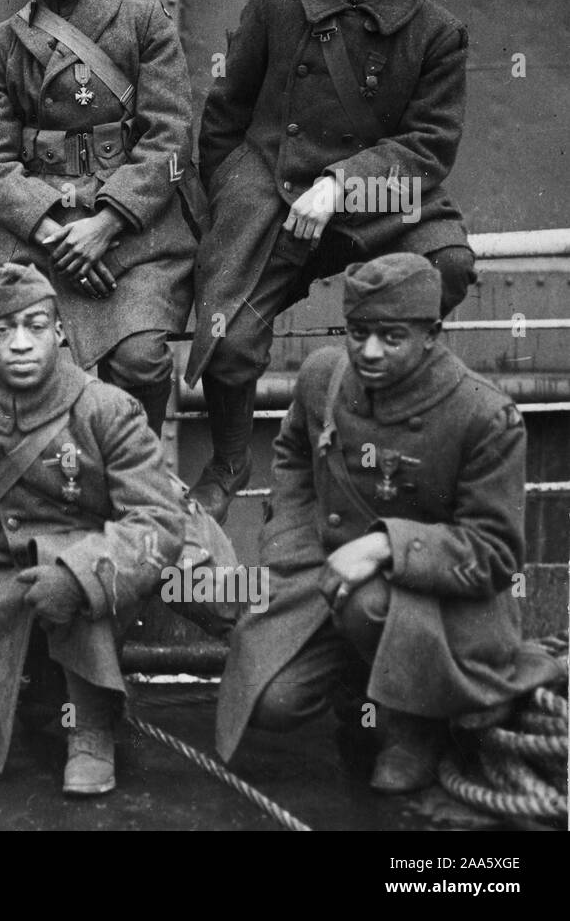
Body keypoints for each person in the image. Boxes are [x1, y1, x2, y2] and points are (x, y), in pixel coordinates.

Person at [186, 0, 476, 521]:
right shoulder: (278, 6)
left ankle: (368, 417)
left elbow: (428, 146)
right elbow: (224, 116)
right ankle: (230, 459)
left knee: (447, 265)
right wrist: (235, 199)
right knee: (228, 339)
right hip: (273, 191)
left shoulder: (436, 33)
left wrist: (341, 185)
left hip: (374, 197)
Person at [216, 254, 561, 791]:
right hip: (327, 575)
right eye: (359, 333)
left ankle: (415, 727)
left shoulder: (484, 416)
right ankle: (364, 690)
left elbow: (493, 553)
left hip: (440, 604)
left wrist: (384, 547)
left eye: (392, 337)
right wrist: (289, 543)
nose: (369, 351)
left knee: (368, 601)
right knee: (271, 702)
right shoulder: (324, 377)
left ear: (432, 334)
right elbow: (292, 454)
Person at [0, 264, 184, 794]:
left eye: (36, 326)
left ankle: (91, 728)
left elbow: (157, 521)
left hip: (95, 560)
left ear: (60, 332)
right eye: (3, 329)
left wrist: (80, 577)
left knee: (77, 567)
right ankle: (42, 698)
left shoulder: (106, 408)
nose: (21, 343)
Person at [0, 0, 203, 438]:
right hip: (39, 233)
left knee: (140, 360)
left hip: (134, 230)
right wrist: (52, 232)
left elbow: (169, 138)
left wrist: (108, 223)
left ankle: (135, 467)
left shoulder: (143, 20)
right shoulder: (2, 44)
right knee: (27, 366)